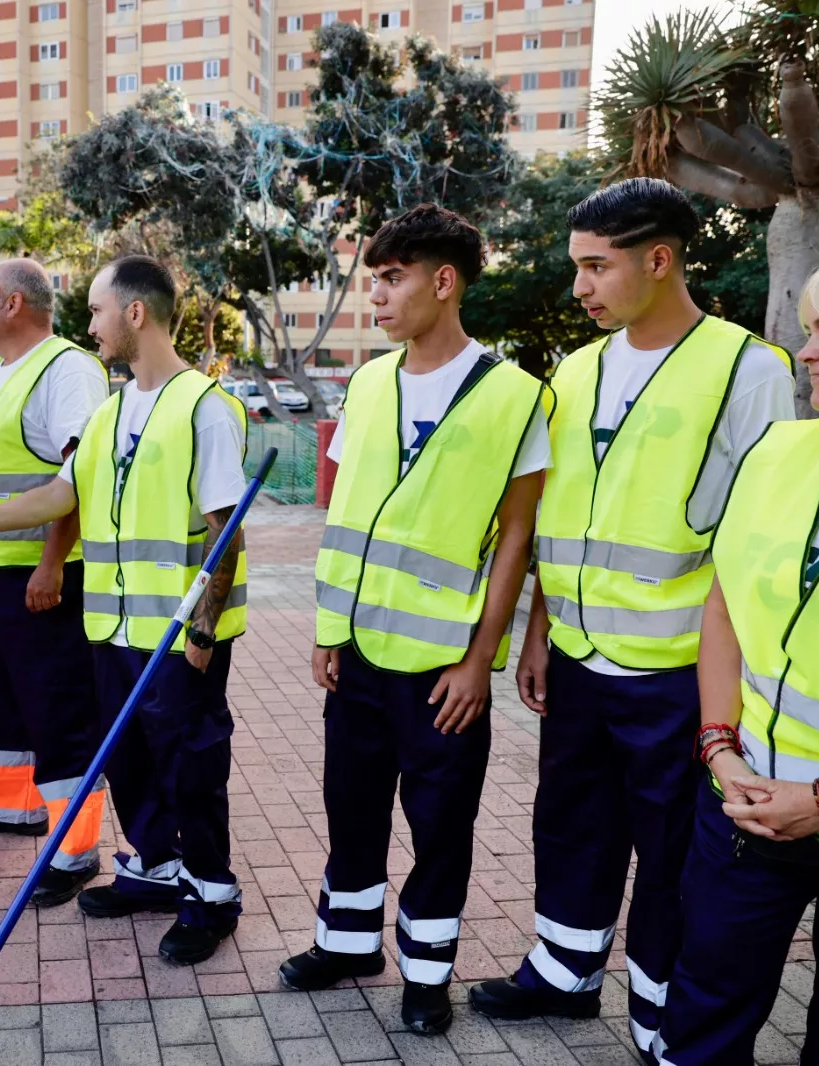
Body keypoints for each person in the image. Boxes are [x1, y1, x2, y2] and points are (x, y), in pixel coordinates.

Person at [469, 179, 795, 1060]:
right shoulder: (576, 370)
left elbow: (764, 533)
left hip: (678, 668)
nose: (579, 286)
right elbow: (553, 519)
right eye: (576, 266)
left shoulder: (749, 369)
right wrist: (537, 633)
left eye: (595, 266)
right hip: (577, 655)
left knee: (671, 850)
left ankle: (660, 1011)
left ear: (658, 260)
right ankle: (565, 972)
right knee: (571, 820)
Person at [274, 206, 549, 1032]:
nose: (378, 299)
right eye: (374, 282)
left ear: (443, 281)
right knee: (351, 807)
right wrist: (328, 628)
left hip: (442, 669)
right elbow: (348, 514)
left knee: (441, 827)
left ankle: (427, 973)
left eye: (391, 281)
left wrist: (481, 660)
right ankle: (347, 942)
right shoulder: (364, 382)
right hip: (356, 652)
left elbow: (518, 538)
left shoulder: (517, 395)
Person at [0, 255, 250, 963]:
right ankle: (152, 868)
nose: (91, 326)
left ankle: (211, 894)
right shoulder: (110, 411)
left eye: (99, 312)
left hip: (176, 635)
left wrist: (202, 635)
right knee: (131, 755)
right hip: (110, 624)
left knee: (189, 763)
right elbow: (59, 495)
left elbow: (225, 525)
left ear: (136, 313)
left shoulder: (205, 406)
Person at [654, 244, 819, 1065]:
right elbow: (725, 605)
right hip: (747, 805)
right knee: (701, 1015)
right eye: (808, 329)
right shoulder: (781, 453)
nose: (806, 350)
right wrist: (719, 748)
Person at [0, 257, 110, 907]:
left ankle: (73, 851)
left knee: (59, 710)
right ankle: (12, 810)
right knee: (2, 700)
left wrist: (50, 562)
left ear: (12, 304)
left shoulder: (68, 369)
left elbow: (77, 480)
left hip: (39, 579)